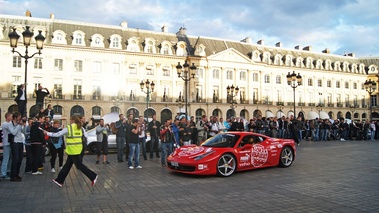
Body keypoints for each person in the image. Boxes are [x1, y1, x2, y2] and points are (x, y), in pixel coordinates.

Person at [46, 116, 98, 187]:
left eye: (70, 119)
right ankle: (59, 180)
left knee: (79, 166)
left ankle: (93, 176)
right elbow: (86, 136)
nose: (69, 121)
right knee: (67, 165)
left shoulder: (69, 128)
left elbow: (57, 134)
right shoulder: (81, 127)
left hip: (72, 149)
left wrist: (47, 133)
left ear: (72, 120)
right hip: (78, 148)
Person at [8, 112, 24, 182]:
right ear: (15, 118)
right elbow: (13, 132)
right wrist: (18, 126)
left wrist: (21, 125)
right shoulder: (10, 124)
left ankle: (17, 174)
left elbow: (22, 131)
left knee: (20, 159)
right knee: (15, 159)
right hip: (15, 143)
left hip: (20, 142)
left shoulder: (19, 124)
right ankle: (13, 175)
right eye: (18, 117)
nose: (19, 119)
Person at [1, 112, 13, 180]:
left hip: (10, 142)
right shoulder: (5, 124)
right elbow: (11, 129)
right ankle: (3, 173)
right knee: (6, 158)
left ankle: (8, 171)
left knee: (10, 158)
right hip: (6, 143)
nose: (12, 118)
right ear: (7, 117)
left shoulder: (9, 124)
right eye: (11, 116)